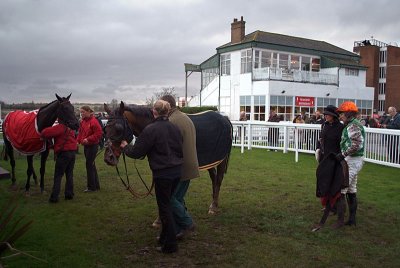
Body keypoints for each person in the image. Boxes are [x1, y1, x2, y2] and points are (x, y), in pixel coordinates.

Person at [120, 100, 183, 254]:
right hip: (177, 172)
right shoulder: (175, 128)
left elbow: (137, 152)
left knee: (164, 208)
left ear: (154, 112)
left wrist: (125, 147)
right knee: (167, 204)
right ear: (167, 112)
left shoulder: (150, 129)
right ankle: (164, 237)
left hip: (163, 173)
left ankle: (171, 245)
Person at [160, 94, 199, 238]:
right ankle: (177, 230)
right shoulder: (184, 117)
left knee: (170, 199)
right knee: (178, 198)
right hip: (190, 164)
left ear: (167, 106)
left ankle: (187, 223)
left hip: (180, 167)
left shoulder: (171, 121)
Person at [312, 105, 344, 231]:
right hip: (324, 157)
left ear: (334, 116)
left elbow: (342, 144)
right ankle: (328, 205)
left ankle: (334, 208)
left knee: (334, 185)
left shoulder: (341, 127)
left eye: (327, 114)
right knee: (323, 181)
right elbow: (320, 139)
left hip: (335, 159)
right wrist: (318, 149)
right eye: (325, 114)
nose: (325, 116)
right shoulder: (324, 125)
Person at [335, 101, 365, 228]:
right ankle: (352, 220)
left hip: (352, 160)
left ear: (348, 113)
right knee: (352, 189)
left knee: (341, 189)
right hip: (353, 159)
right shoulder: (351, 124)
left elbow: (356, 145)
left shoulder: (353, 125)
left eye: (341, 114)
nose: (340, 116)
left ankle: (340, 221)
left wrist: (343, 154)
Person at [41, 119, 78, 203]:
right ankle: (69, 194)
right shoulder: (70, 128)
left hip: (64, 154)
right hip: (72, 153)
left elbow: (44, 133)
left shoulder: (60, 127)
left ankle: (54, 197)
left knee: (58, 175)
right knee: (69, 174)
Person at [77, 105, 103, 192]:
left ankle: (91, 187)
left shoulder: (94, 121)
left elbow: (98, 134)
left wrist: (88, 139)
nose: (81, 114)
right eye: (81, 112)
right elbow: (80, 133)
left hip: (92, 146)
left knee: (89, 165)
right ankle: (96, 185)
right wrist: (78, 141)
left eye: (83, 112)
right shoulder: (83, 122)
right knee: (91, 165)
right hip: (86, 146)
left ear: (88, 111)